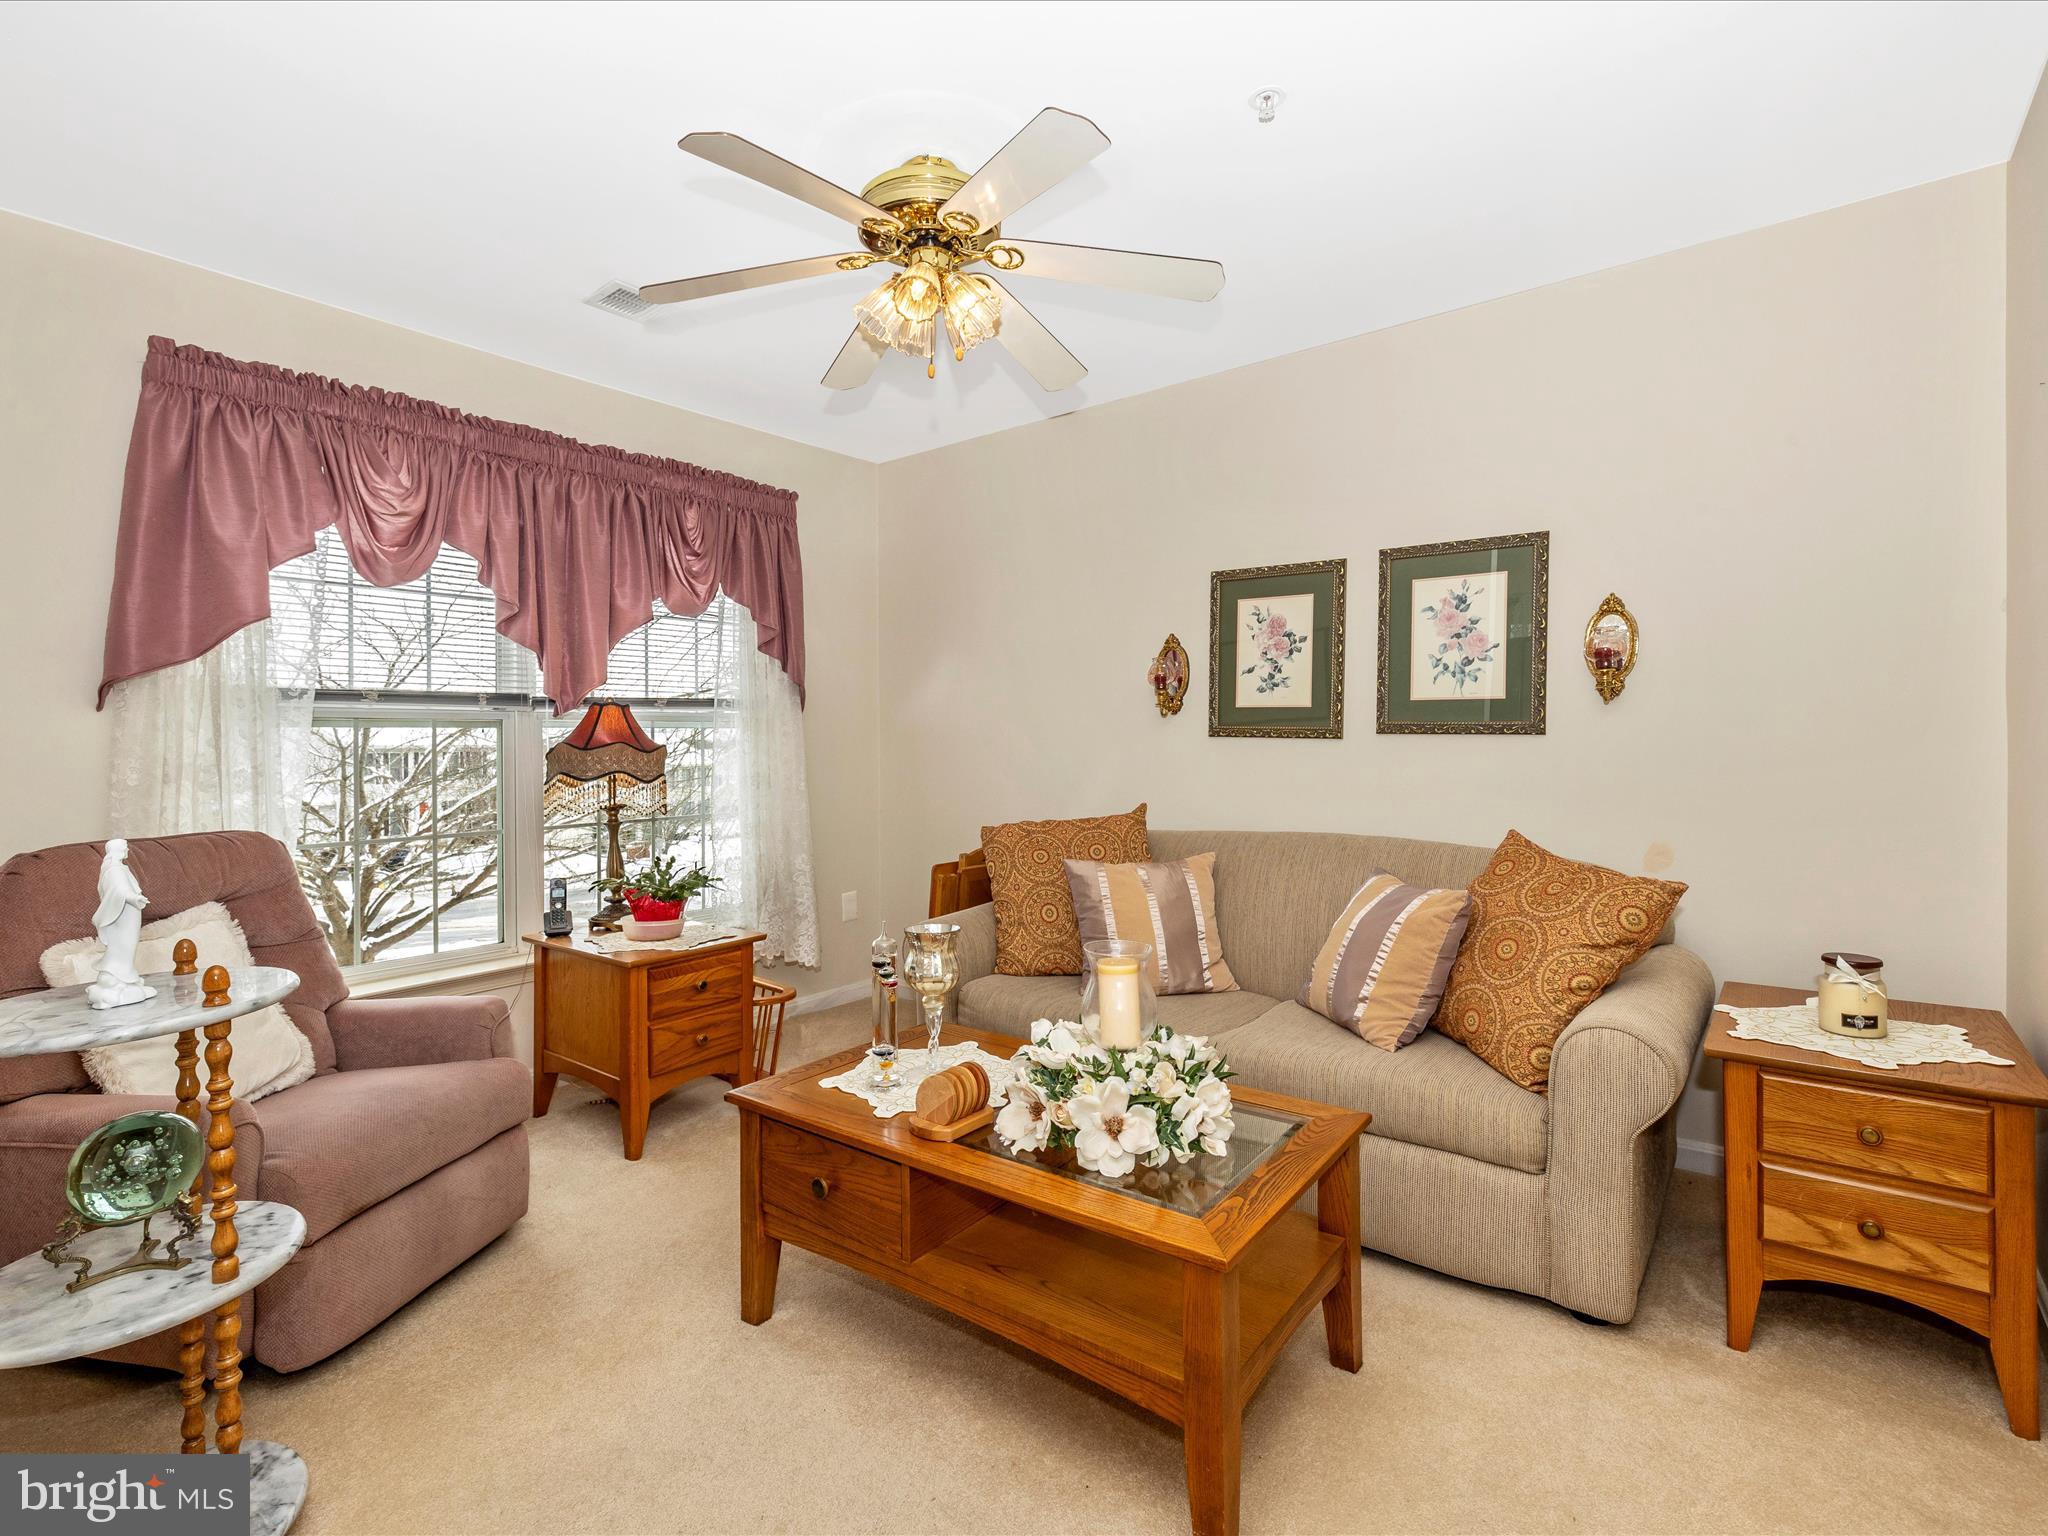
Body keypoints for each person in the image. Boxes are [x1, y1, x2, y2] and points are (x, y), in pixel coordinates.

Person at [87, 838, 157, 1009]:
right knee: (123, 945)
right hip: (122, 914)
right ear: (118, 850)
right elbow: (119, 890)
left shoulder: (118, 868)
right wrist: (134, 897)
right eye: (125, 848)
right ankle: (113, 978)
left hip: (129, 913)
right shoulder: (114, 870)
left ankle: (127, 981)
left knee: (129, 946)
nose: (127, 851)